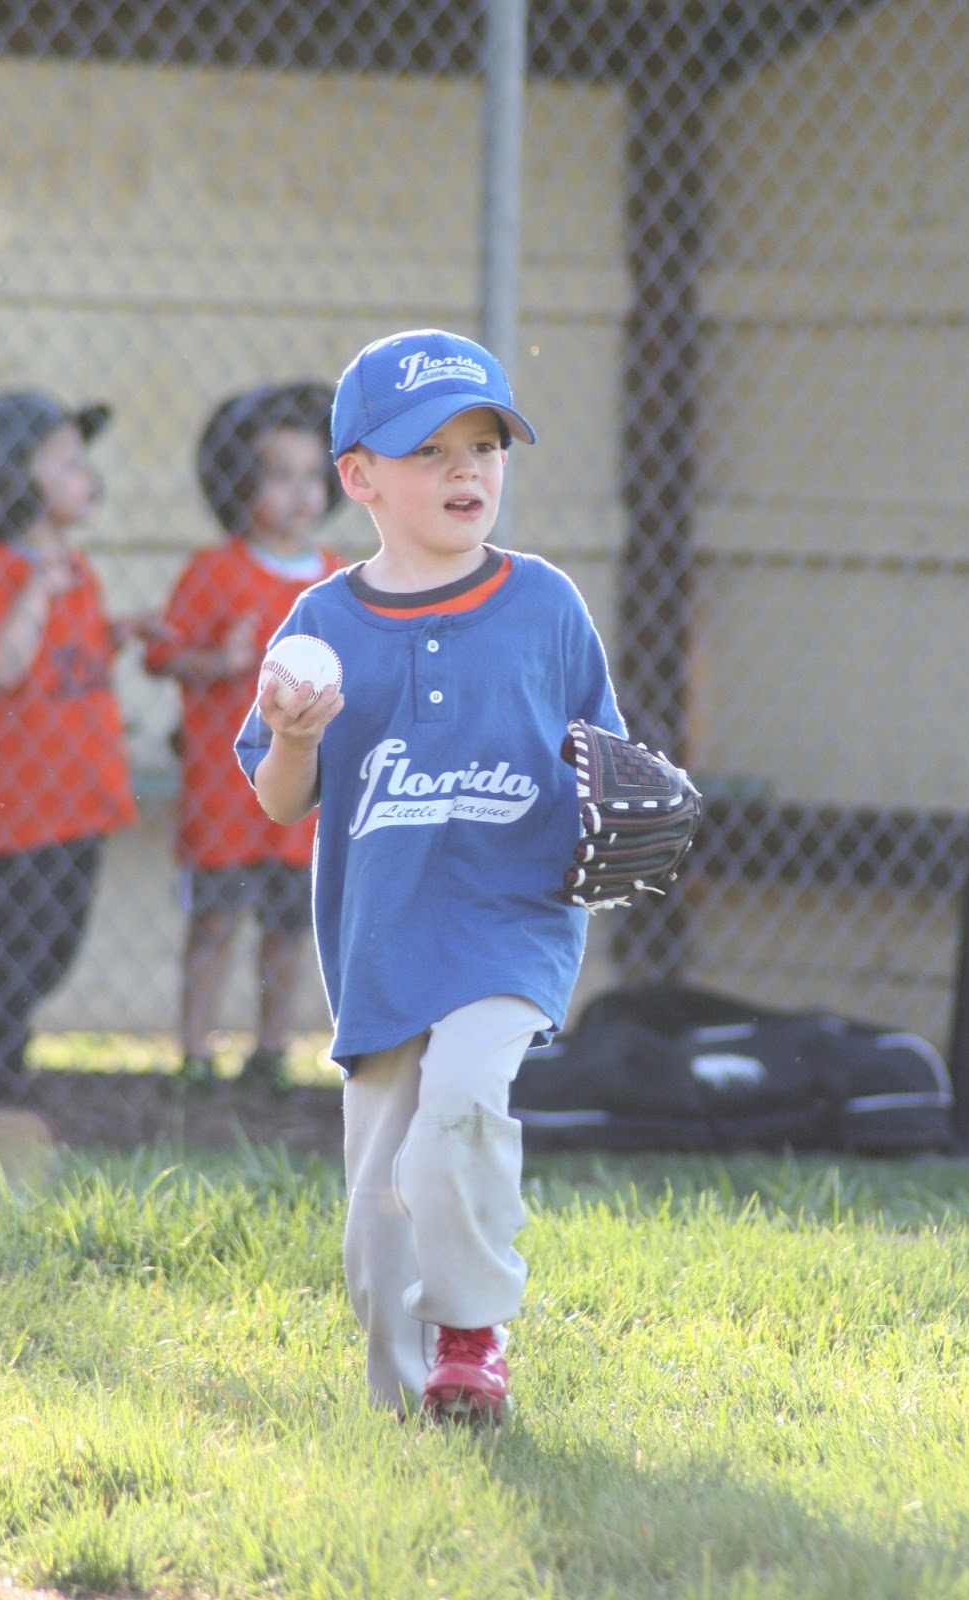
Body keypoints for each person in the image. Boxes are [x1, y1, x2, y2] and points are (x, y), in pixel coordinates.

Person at [234, 329, 627, 1422]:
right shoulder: (321, 625)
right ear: (357, 477)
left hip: (514, 923)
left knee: (460, 1104)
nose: (467, 470)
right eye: (429, 450)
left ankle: (468, 1329)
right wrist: (296, 733)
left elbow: (608, 756)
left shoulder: (544, 604)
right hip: (383, 940)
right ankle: (416, 1419)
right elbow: (275, 797)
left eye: (486, 444)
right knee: (377, 1217)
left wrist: (630, 805)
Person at [0, 390, 155, 1101]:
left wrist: (120, 633)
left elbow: (67, 663)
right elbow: (2, 666)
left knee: (56, 941)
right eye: (65, 462)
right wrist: (36, 589)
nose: (85, 474)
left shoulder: (73, 569)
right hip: (24, 798)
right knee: (20, 933)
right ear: (12, 479)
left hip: (79, 792)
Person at [144, 385, 341, 1089]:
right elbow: (162, 654)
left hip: (302, 796)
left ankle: (272, 1049)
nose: (300, 493)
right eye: (279, 476)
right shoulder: (213, 570)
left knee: (287, 928)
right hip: (224, 793)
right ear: (240, 485)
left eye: (312, 476)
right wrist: (217, 663)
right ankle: (195, 1050)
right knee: (217, 922)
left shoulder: (335, 580)